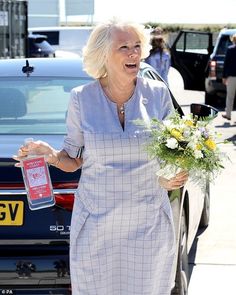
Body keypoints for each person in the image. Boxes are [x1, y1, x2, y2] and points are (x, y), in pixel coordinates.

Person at [14, 20, 188, 295]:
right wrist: (50, 155)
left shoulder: (157, 94)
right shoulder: (81, 99)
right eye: (123, 47)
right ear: (104, 54)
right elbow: (72, 159)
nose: (133, 53)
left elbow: (175, 150)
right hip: (97, 228)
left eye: (136, 46)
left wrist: (172, 175)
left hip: (148, 227)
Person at [222, 33, 236, 121]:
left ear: (233, 40)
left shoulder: (230, 49)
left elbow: (226, 63)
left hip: (232, 76)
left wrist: (224, 76)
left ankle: (228, 114)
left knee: (230, 96)